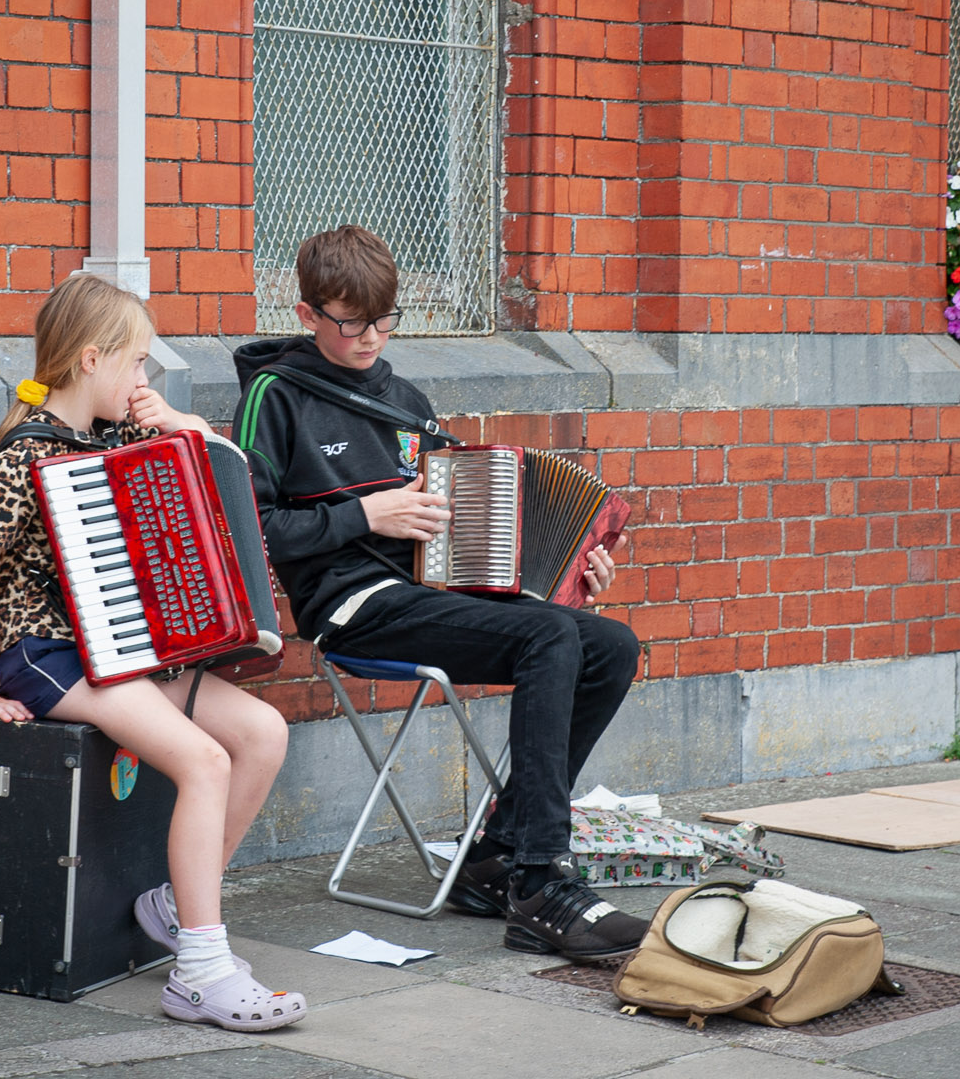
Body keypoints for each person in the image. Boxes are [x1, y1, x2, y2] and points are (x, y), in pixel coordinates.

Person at [231, 224, 649, 961]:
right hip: (351, 607)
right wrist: (366, 515)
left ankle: (494, 859)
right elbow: (249, 530)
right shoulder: (275, 394)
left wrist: (568, 573)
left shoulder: (406, 400)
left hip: (426, 592)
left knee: (608, 644)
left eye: (384, 320)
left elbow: (462, 536)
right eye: (350, 322)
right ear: (307, 314)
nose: (370, 337)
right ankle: (540, 882)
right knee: (548, 637)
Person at [0, 274, 304, 1033]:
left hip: (123, 652)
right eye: (137, 362)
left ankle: (175, 907)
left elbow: (220, 474)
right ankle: (200, 972)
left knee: (263, 734)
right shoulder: (24, 455)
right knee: (203, 761)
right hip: (50, 656)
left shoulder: (116, 438)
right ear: (92, 359)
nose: (142, 378)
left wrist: (181, 422)